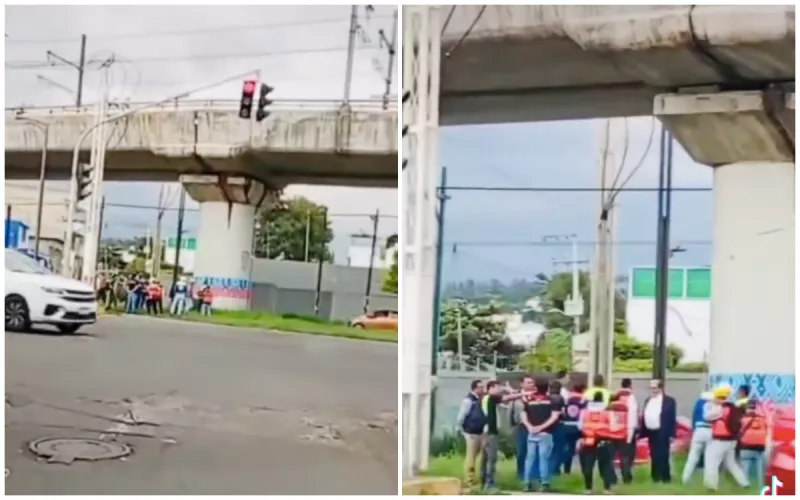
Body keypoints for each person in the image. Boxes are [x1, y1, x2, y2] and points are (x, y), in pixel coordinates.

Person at [480, 380, 528, 490]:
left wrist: (509, 390)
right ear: (491, 388)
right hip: (490, 432)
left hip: (486, 431)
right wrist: (524, 394)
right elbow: (507, 398)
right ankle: (489, 483)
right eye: (498, 388)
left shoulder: (485, 398)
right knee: (491, 459)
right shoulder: (491, 397)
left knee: (485, 459)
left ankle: (484, 482)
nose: (499, 390)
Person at [703, 384, 749, 491]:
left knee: (711, 461)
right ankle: (744, 483)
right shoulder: (733, 407)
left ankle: (711, 485)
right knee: (731, 463)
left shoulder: (719, 409)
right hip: (732, 440)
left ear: (719, 397)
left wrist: (711, 404)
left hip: (720, 440)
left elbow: (706, 416)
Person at [521, 377, 560, 492]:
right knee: (544, 458)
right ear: (547, 387)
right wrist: (541, 427)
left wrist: (530, 427)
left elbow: (523, 415)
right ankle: (544, 483)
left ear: (535, 387)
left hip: (531, 433)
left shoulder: (529, 400)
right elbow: (554, 416)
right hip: (545, 433)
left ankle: (527, 483)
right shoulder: (551, 400)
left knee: (529, 458)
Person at [578, 390, 617, 494]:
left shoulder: (584, 412)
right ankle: (607, 489)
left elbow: (580, 426)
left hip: (589, 440)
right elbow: (613, 427)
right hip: (604, 440)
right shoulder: (608, 412)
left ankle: (588, 488)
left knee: (588, 465)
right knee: (606, 465)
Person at [641, 378, 677, 483]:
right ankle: (655, 477)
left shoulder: (669, 401)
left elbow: (671, 418)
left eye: (654, 388)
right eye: (651, 388)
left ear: (660, 388)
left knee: (663, 454)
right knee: (653, 454)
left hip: (663, 430)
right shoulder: (648, 400)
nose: (652, 390)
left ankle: (665, 477)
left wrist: (672, 434)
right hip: (651, 431)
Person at [457, 380, 487, 489]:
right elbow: (461, 417)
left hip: (480, 432)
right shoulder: (468, 400)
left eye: (483, 387)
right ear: (474, 388)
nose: (482, 389)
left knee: (479, 456)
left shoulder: (481, 399)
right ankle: (469, 480)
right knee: (471, 457)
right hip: (471, 433)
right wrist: (463, 431)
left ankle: (475, 478)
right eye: (480, 387)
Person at [608, 377, 638, 485]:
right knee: (625, 457)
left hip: (612, 432)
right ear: (630, 385)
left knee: (610, 458)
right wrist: (631, 434)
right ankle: (626, 479)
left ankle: (612, 479)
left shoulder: (614, 396)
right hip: (625, 432)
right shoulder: (631, 398)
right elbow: (632, 417)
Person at [681, 390, 713, 484]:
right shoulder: (713, 403)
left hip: (698, 430)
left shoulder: (698, 402)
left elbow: (694, 417)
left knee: (693, 456)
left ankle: (685, 478)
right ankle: (708, 481)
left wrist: (694, 430)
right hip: (710, 430)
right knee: (710, 457)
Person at [511, 375, 536, 481]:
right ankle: (521, 473)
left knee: (534, 451)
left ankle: (533, 475)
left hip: (535, 425)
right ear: (522, 384)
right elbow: (511, 411)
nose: (531, 385)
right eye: (528, 382)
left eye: (532, 382)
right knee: (521, 451)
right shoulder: (516, 396)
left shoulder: (537, 395)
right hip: (520, 426)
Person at [738, 399, 768, 487]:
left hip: (745, 447)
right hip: (760, 448)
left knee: (744, 469)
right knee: (761, 470)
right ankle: (761, 486)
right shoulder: (763, 419)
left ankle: (744, 486)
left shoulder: (742, 419)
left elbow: (738, 431)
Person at [561, 382, 586, 474]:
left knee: (569, 448)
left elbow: (563, 412)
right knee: (583, 449)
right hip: (579, 426)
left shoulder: (567, 399)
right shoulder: (583, 400)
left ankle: (566, 470)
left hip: (567, 425)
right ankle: (584, 470)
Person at [548, 379, 566, 477]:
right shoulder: (560, 398)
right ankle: (556, 469)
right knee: (558, 447)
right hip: (558, 424)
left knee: (548, 448)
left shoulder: (547, 398)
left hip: (548, 425)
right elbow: (563, 412)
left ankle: (548, 468)